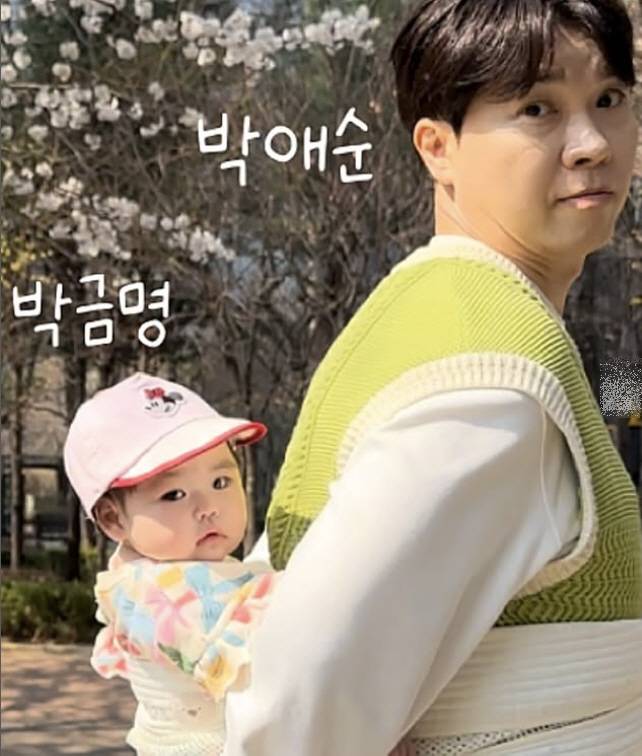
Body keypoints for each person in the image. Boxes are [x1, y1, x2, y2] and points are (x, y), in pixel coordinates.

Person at [222, 1, 642, 754]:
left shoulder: (416, 315)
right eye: (538, 108)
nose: (591, 144)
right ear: (438, 147)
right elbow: (298, 706)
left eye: (610, 98)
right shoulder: (491, 386)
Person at [63, 372, 416, 756]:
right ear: (112, 519)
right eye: (174, 494)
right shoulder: (160, 594)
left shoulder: (164, 573)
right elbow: (293, 652)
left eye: (220, 483)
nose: (208, 507)